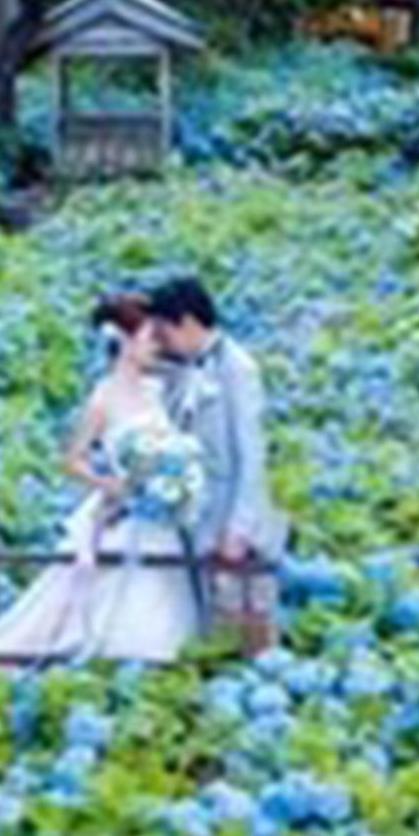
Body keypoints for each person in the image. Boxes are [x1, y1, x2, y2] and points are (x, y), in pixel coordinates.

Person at [0, 295, 202, 667]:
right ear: (124, 342)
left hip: (160, 514)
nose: (158, 346)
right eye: (150, 338)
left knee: (163, 602)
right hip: (124, 511)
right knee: (99, 607)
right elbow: (72, 460)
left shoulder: (158, 390)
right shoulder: (103, 398)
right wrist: (109, 484)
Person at [147, 276, 286, 657]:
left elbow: (251, 455)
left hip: (230, 520)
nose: (161, 341)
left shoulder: (238, 368)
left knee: (245, 622)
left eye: (164, 331)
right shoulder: (180, 369)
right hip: (196, 516)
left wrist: (239, 527)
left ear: (187, 322)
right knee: (206, 623)